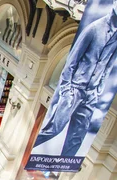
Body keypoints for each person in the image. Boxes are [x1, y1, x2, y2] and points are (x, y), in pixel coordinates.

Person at [32, 0, 117, 157]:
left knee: (76, 139)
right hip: (75, 89)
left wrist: (98, 90)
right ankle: (33, 151)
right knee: (54, 128)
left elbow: (108, 65)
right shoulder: (94, 29)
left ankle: (63, 164)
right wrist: (66, 90)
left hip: (91, 94)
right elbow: (72, 61)